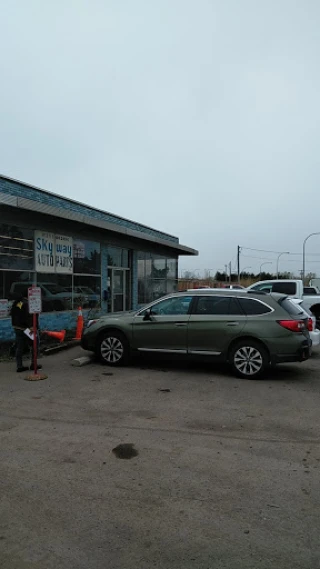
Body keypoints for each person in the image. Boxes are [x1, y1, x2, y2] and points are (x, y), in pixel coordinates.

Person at [10, 291, 42, 373]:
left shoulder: (18, 303)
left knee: (19, 347)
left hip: (17, 328)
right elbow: (28, 317)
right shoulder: (27, 304)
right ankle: (33, 364)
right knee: (35, 344)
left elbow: (14, 315)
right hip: (27, 329)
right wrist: (32, 326)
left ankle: (19, 366)